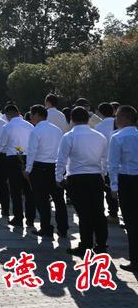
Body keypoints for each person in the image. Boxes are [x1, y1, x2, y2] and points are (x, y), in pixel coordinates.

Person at [57, 106, 108, 256]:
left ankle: (85, 244)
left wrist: (58, 177)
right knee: (99, 212)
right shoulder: (100, 136)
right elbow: (105, 160)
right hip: (96, 176)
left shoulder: (69, 137)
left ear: (72, 119)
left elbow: (61, 160)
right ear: (88, 119)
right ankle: (101, 244)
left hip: (77, 178)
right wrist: (102, 175)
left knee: (84, 213)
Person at [26, 104, 69, 239]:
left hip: (40, 168)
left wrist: (27, 169)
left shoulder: (36, 131)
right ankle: (63, 228)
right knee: (59, 200)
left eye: (32, 114)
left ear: (37, 115)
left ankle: (46, 228)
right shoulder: (56, 130)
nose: (31, 117)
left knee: (42, 200)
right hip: (55, 167)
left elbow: (32, 152)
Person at [108, 105, 138, 272]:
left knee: (131, 224)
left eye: (118, 116)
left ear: (125, 118)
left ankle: (135, 260)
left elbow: (112, 164)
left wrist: (114, 186)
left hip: (126, 181)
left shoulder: (118, 137)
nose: (115, 119)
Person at [0, 104, 35, 227]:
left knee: (15, 189)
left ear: (7, 115)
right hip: (28, 158)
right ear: (18, 112)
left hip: (13, 159)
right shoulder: (29, 125)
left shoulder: (7, 126)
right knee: (29, 189)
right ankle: (30, 218)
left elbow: (0, 143)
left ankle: (18, 217)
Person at [95, 102, 119, 222]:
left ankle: (113, 214)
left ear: (100, 113)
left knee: (109, 190)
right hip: (122, 162)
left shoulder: (99, 127)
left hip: (106, 163)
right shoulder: (119, 123)